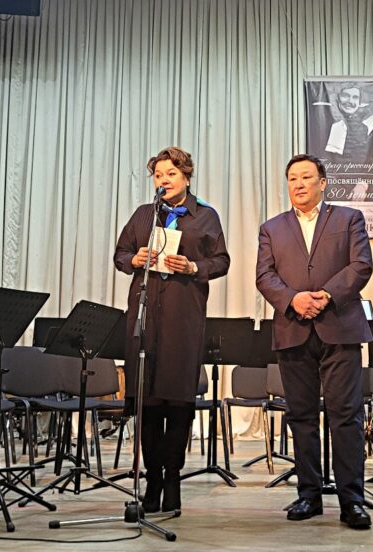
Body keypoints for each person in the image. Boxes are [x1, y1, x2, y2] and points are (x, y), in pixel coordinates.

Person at [256, 153, 373, 529]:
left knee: (346, 416)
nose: (299, 184)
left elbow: (361, 265)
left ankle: (352, 500)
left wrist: (326, 295)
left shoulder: (348, 218)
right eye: (292, 178)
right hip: (293, 330)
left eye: (306, 177)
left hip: (339, 328)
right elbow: (264, 276)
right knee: (301, 416)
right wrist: (293, 299)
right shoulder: (272, 228)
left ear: (323, 182)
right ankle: (309, 494)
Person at [114, 146, 230, 513]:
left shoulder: (205, 216)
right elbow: (120, 255)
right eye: (158, 175)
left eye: (171, 174)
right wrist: (134, 259)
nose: (163, 180)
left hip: (184, 319)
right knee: (148, 403)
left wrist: (194, 267)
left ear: (186, 177)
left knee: (178, 403)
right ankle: (152, 482)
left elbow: (222, 261)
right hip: (146, 319)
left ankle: (173, 480)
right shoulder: (143, 215)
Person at [324, 84, 373, 166]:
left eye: (355, 97)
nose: (350, 101)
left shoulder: (364, 127)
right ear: (337, 99)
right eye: (345, 96)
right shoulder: (325, 123)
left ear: (359, 102)